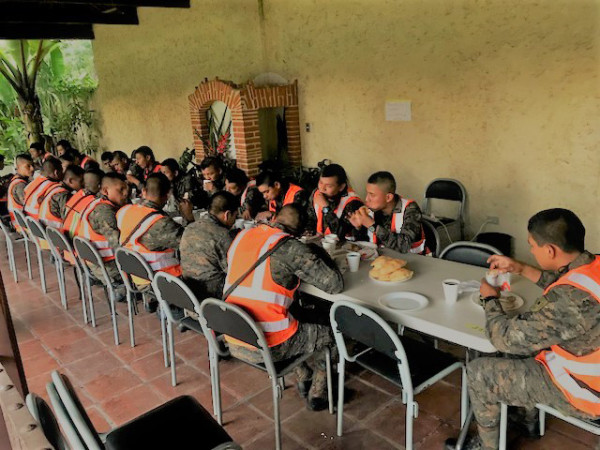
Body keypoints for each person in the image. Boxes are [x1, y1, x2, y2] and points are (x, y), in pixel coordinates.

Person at [445, 209, 600, 450]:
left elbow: (503, 337)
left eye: (532, 246)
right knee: (525, 349)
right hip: (585, 363)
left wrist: (489, 299)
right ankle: (527, 420)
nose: (530, 251)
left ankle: (488, 447)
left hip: (586, 390)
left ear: (549, 250)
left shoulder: (569, 303)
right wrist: (520, 268)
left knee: (479, 372)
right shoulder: (592, 266)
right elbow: (566, 284)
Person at [225, 204, 344, 410]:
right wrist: (316, 252)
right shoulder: (290, 247)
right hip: (266, 345)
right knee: (333, 333)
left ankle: (302, 374)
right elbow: (334, 285)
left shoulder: (243, 235)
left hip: (233, 332)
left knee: (295, 313)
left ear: (274, 218)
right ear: (301, 232)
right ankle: (318, 393)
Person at [116, 173, 192, 278]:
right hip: (160, 279)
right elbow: (191, 244)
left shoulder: (124, 211)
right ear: (167, 196)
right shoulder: (161, 223)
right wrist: (188, 218)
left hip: (135, 274)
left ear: (143, 191)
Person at [349, 171, 428, 254]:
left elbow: (404, 246)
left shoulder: (410, 209)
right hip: (381, 259)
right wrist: (358, 228)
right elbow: (365, 245)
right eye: (367, 193)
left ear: (388, 197)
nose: (366, 199)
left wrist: (371, 225)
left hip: (413, 261)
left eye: (372, 195)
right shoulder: (372, 209)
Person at [180, 191, 238, 299]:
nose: (234, 221)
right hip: (212, 299)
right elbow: (234, 271)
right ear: (227, 214)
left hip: (189, 295)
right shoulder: (222, 236)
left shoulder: (190, 227)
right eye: (235, 216)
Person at [76, 173, 129, 283]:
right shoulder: (104, 212)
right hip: (107, 267)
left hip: (94, 261)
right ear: (105, 191)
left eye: (126, 188)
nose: (126, 193)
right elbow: (118, 246)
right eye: (121, 189)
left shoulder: (96, 202)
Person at [307, 163, 363, 238]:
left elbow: (339, 234)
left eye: (329, 186)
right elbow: (310, 219)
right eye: (321, 182)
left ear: (341, 187)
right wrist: (308, 233)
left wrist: (326, 208)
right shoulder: (317, 193)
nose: (322, 188)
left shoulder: (352, 203)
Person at [39, 165, 84, 229]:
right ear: (70, 181)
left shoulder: (55, 187)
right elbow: (67, 218)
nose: (83, 185)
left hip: (46, 229)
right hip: (55, 231)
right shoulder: (64, 195)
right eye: (81, 181)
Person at [62, 168, 103, 238]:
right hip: (77, 244)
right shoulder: (96, 203)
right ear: (100, 186)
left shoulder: (77, 195)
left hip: (67, 241)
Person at [7, 154, 35, 231]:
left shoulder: (16, 180)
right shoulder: (20, 185)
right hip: (24, 227)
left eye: (33, 165)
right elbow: (29, 205)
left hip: (19, 223)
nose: (32, 168)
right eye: (28, 166)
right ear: (18, 167)